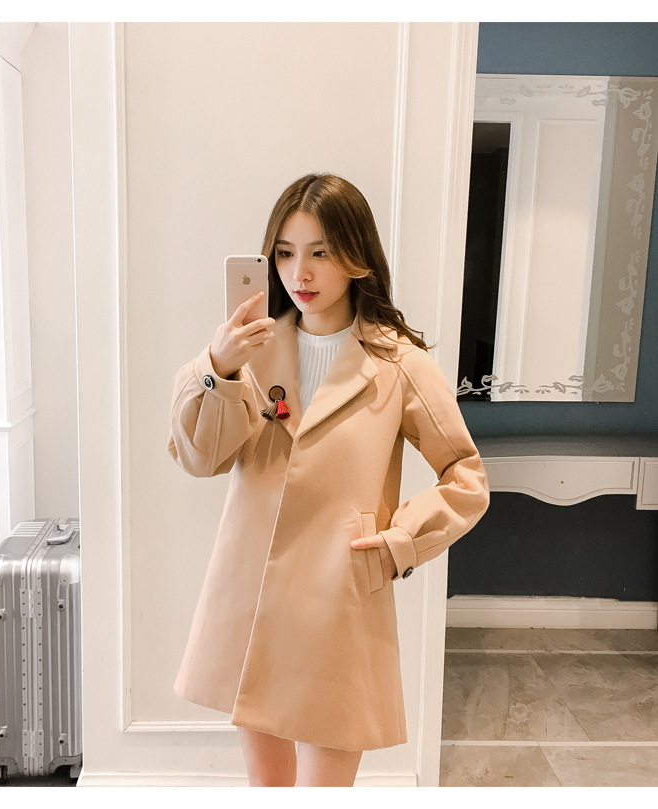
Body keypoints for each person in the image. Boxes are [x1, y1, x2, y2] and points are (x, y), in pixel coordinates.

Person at [168, 173, 489, 787]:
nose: (300, 273)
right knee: (268, 790)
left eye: (320, 252)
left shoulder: (398, 362)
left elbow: (466, 475)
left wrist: (399, 544)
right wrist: (217, 369)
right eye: (285, 253)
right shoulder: (248, 352)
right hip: (254, 589)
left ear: (355, 255)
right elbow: (199, 458)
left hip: (338, 596)